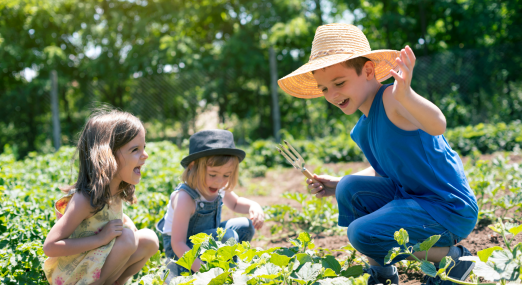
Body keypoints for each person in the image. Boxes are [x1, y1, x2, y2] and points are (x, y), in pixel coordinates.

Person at [278, 23, 478, 285]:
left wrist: (406, 94)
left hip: (446, 208)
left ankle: (453, 259)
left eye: (339, 83)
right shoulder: (362, 128)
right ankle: (383, 273)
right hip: (415, 201)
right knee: (349, 187)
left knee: (361, 233)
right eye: (325, 89)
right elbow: (384, 170)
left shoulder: (393, 99)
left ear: (369, 71)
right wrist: (336, 185)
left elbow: (438, 124)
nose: (332, 95)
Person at [43, 109, 159, 285]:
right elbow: (50, 246)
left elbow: (109, 217)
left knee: (148, 239)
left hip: (97, 264)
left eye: (144, 148)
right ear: (108, 155)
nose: (145, 155)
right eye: (135, 149)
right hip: (74, 274)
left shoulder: (116, 191)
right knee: (128, 239)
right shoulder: (84, 199)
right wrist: (100, 239)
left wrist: (128, 225)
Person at [156, 129, 264, 282]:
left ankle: (228, 267)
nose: (219, 181)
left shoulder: (218, 187)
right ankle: (221, 272)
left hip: (206, 244)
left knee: (246, 225)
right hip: (182, 255)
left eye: (226, 175)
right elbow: (177, 243)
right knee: (229, 236)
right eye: (213, 174)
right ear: (193, 167)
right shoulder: (185, 198)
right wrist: (204, 271)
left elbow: (235, 203)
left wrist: (253, 206)